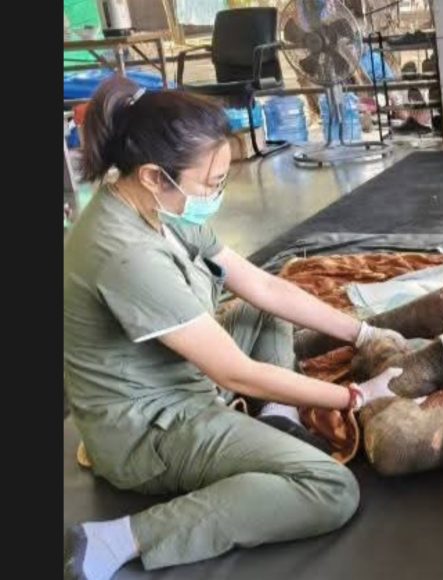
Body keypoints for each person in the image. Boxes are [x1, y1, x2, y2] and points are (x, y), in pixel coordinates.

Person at [63, 77, 403, 580]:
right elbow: (236, 373)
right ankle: (117, 539)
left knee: (264, 310)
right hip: (150, 427)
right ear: (155, 175)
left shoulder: (160, 207)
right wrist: (355, 397)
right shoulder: (124, 252)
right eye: (211, 182)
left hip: (180, 375)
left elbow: (264, 287)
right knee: (330, 488)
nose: (217, 194)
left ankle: (277, 417)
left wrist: (363, 334)